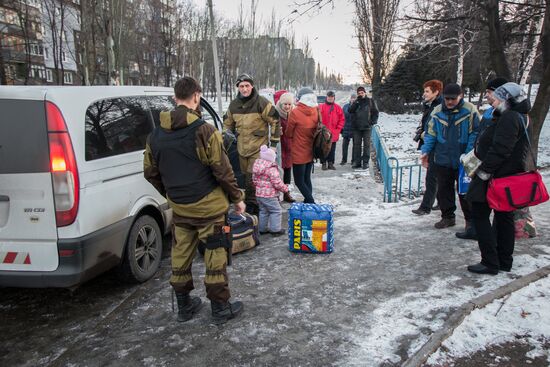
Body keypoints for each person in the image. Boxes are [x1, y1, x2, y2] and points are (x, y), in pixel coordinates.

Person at [144, 77, 245, 325]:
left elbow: (150, 171)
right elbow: (222, 170)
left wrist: (170, 194)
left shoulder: (155, 135)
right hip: (209, 208)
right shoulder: (205, 130)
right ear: (197, 96)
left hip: (180, 208)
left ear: (175, 98)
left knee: (180, 255)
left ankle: (184, 306)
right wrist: (237, 198)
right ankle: (220, 309)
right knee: (214, 257)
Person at [465, 82, 531, 275]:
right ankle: (503, 261)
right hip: (506, 176)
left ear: (508, 99)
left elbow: (501, 149)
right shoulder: (520, 116)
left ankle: (490, 262)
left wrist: (484, 171)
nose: (493, 99)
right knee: (504, 217)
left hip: (494, 176)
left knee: (479, 214)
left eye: (498, 96)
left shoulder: (509, 117)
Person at [454, 77, 509, 240]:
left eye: (489, 92)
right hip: (480, 161)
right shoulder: (490, 111)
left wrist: (487, 167)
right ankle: (475, 229)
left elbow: (501, 144)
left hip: (492, 167)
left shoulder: (508, 115)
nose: (487, 95)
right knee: (474, 199)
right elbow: (480, 132)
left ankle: (495, 241)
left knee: (496, 207)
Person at [420, 83, 480, 229]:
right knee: (443, 189)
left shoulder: (470, 110)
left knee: (465, 191)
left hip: (464, 158)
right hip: (443, 157)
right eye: (447, 98)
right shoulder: (437, 111)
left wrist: (467, 153)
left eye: (453, 98)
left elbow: (476, 132)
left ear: (461, 96)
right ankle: (447, 217)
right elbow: (431, 134)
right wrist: (425, 151)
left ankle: (471, 221)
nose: (450, 102)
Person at [223, 74, 280, 216]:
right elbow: (227, 124)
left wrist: (273, 144)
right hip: (242, 149)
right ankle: (253, 205)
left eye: (247, 86)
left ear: (252, 86)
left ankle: (253, 207)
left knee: (252, 178)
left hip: (258, 149)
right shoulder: (233, 105)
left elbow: (275, 120)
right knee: (245, 178)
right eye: (241, 86)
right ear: (238, 88)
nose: (244, 89)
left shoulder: (261, 102)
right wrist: (226, 137)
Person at [412, 80, 443, 216]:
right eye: (424, 91)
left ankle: (425, 207)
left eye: (427, 91)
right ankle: (442, 203)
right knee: (438, 176)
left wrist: (428, 134)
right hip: (430, 143)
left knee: (432, 177)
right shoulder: (429, 105)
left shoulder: (440, 106)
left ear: (436, 92)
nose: (424, 94)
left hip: (436, 145)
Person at [286, 87, 318, 203]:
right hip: (311, 150)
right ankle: (308, 201)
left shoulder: (295, 112)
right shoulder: (316, 110)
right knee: (307, 178)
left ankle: (310, 201)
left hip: (298, 151)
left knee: (299, 181)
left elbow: (289, 133)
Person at [252, 145, 289, 236]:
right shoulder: (271, 169)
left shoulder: (257, 166)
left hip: (259, 194)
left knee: (263, 210)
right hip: (270, 195)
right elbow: (277, 183)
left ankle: (262, 229)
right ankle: (275, 230)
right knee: (276, 210)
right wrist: (285, 189)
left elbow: (254, 180)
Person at [349, 86, 379, 169]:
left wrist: (372, 122)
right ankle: (357, 162)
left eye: (362, 93)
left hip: (367, 127)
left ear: (365, 93)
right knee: (356, 145)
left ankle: (365, 162)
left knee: (366, 145)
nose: (360, 94)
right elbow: (350, 110)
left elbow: (375, 112)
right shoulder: (356, 102)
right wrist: (356, 102)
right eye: (359, 93)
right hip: (357, 127)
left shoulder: (370, 101)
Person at [274, 90, 296, 203]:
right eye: (285, 104)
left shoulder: (293, 114)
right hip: (279, 146)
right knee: (278, 170)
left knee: (288, 170)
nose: (287, 107)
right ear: (281, 104)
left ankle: (287, 193)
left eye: (289, 104)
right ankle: (277, 194)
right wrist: (277, 131)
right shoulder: (276, 114)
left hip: (290, 147)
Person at [319, 90, 345, 170]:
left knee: (332, 149)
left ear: (334, 98)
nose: (330, 98)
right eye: (329, 97)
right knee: (323, 148)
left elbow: (342, 119)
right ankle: (323, 163)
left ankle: (330, 163)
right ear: (326, 97)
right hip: (324, 132)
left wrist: (338, 128)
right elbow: (317, 118)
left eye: (332, 97)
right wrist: (320, 127)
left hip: (334, 132)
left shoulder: (338, 107)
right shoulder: (321, 107)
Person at [341, 93, 357, 165]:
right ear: (350, 99)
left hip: (355, 129)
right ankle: (344, 160)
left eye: (354, 98)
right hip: (346, 128)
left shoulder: (358, 106)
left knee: (355, 146)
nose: (353, 99)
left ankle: (353, 160)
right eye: (352, 98)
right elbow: (342, 116)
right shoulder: (345, 106)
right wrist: (341, 127)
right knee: (344, 145)